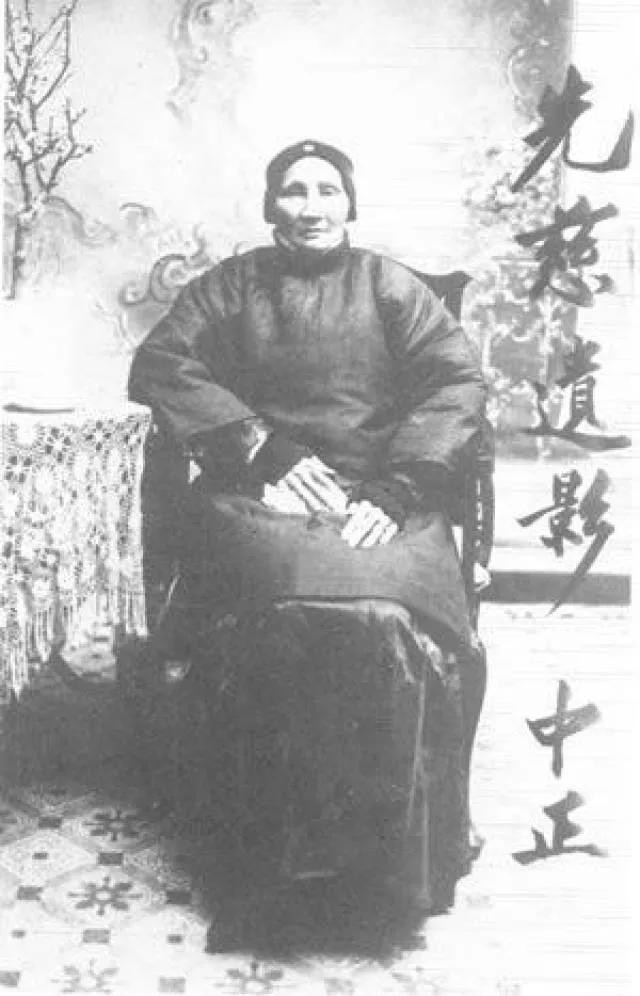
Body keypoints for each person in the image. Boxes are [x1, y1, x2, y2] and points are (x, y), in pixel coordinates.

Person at [128, 139, 487, 944]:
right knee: (285, 615)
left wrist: (400, 486)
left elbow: (457, 381)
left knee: (385, 619)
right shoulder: (231, 286)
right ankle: (268, 881)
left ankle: (384, 885)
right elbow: (160, 362)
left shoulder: (391, 287)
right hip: (261, 496)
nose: (313, 206)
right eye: (295, 190)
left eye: (329, 190)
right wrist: (260, 448)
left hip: (381, 496)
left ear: (350, 205)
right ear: (272, 206)